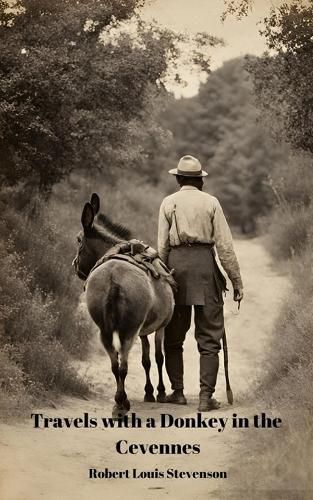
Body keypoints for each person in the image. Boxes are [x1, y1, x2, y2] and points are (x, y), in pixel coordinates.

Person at [157, 155, 243, 411]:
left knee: (173, 337)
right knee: (209, 338)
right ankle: (206, 398)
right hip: (205, 270)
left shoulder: (168, 202)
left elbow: (162, 247)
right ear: (200, 180)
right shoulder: (211, 203)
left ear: (178, 179)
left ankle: (178, 392)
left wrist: (164, 280)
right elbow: (225, 247)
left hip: (175, 270)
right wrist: (236, 281)